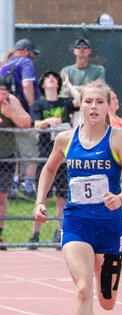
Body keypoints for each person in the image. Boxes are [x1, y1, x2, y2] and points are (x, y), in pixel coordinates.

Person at [33, 82, 122, 315]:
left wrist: (120, 198)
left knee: (106, 302)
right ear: (80, 105)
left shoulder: (118, 140)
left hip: (109, 227)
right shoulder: (66, 139)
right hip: (76, 223)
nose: (93, 107)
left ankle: (102, 269)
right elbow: (49, 169)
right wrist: (40, 202)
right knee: (83, 289)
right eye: (88, 102)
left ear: (109, 107)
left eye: (99, 102)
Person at [29, 71, 79, 249]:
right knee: (42, 196)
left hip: (64, 156)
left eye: (54, 78)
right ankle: (35, 234)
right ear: (42, 84)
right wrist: (48, 121)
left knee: (62, 198)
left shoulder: (64, 102)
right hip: (45, 153)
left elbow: (80, 102)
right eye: (47, 77)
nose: (51, 79)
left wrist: (69, 85)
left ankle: (60, 232)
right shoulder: (39, 104)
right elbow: (35, 124)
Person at [2, 39, 40, 199]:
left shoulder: (4, 65)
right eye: (32, 53)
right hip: (21, 113)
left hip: (6, 114)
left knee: (11, 153)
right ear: (26, 51)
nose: (33, 57)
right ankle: (29, 188)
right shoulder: (25, 62)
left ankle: (10, 187)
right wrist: (32, 109)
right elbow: (27, 85)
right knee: (30, 151)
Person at [0, 82, 32, 249]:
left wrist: (10, 114)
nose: (2, 94)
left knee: (2, 197)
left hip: (6, 156)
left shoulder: (11, 101)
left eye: (4, 90)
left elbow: (26, 122)